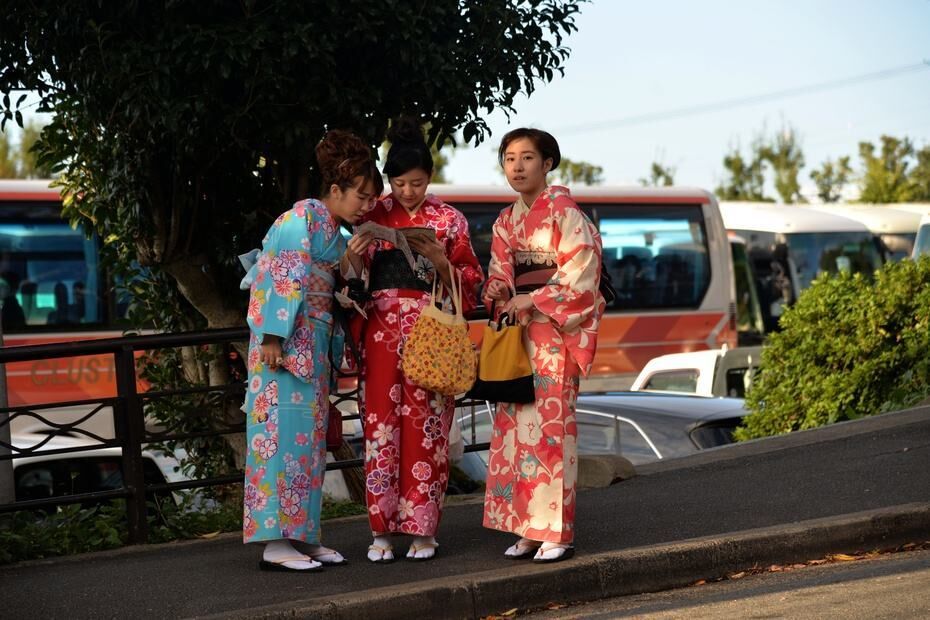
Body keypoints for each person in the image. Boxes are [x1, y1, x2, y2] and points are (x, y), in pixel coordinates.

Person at [241, 129, 383, 572]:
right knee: (278, 440)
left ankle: (303, 536)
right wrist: (271, 336)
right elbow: (279, 275)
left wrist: (353, 265)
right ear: (335, 189)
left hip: (312, 340)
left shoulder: (332, 229)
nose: (365, 206)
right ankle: (273, 543)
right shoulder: (300, 219)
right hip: (282, 347)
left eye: (370, 198)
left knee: (306, 445)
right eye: (360, 196)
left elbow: (339, 286)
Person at [345, 117, 483, 563]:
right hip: (381, 330)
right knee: (380, 429)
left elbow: (472, 281)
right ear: (389, 180)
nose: (408, 192)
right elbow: (352, 279)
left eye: (418, 183)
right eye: (400, 183)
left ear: (430, 178)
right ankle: (381, 531)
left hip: (431, 331)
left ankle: (424, 530)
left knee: (428, 429)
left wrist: (442, 262)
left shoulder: (448, 220)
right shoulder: (372, 215)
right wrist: (353, 260)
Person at [481, 128, 606, 563]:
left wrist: (533, 298)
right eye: (509, 158)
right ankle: (528, 527)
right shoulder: (505, 220)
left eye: (527, 157)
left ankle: (557, 530)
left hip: (554, 334)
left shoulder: (565, 212)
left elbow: (582, 273)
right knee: (516, 431)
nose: (516, 166)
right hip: (521, 335)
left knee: (551, 432)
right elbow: (500, 268)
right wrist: (497, 289)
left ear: (547, 163)